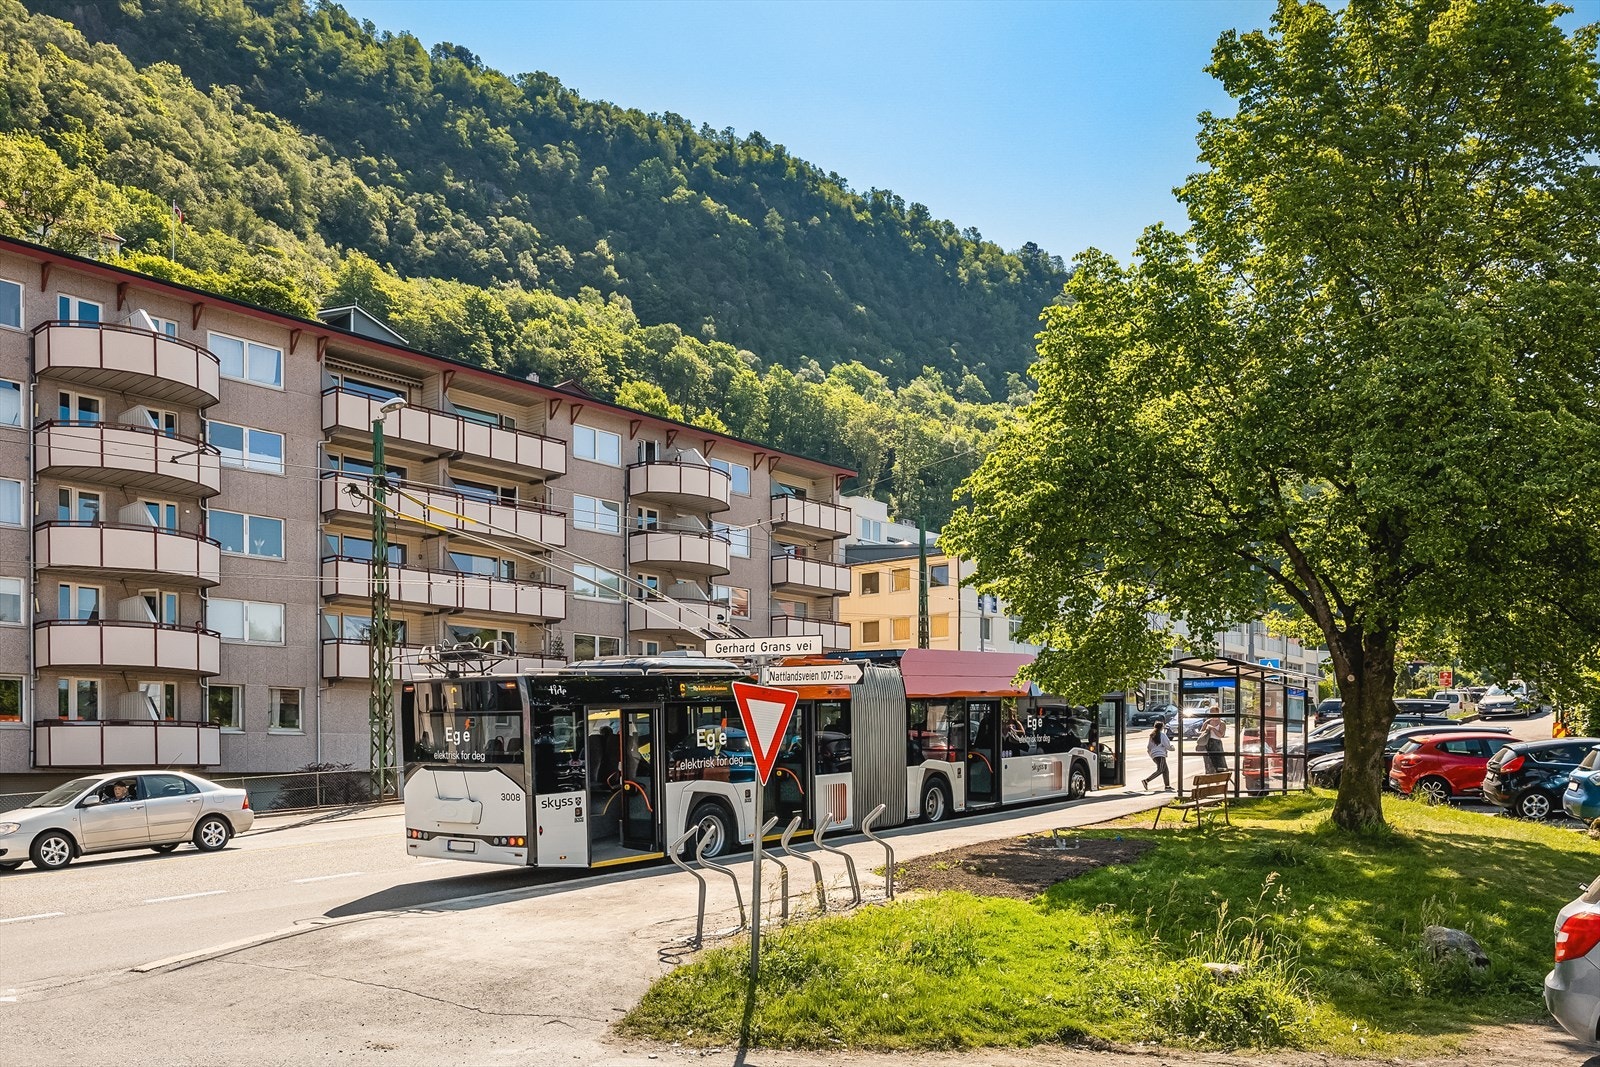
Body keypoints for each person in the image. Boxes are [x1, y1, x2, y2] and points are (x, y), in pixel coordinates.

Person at [1141, 720, 1172, 791]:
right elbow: (1167, 745)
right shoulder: (1162, 735)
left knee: (1165, 770)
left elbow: (1149, 747)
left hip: (1154, 755)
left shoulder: (1152, 735)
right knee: (1161, 770)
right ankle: (1146, 780)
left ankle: (1167, 785)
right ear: (1162, 727)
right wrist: (1172, 748)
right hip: (1160, 755)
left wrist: (1151, 754)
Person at [1201, 702, 1229, 775]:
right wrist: (1206, 729)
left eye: (1213, 712)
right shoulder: (1208, 721)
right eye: (1211, 712)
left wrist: (1213, 728)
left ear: (1217, 712)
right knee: (1208, 762)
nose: (1212, 714)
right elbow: (1201, 732)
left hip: (1216, 743)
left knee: (1219, 761)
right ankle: (1209, 776)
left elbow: (1220, 735)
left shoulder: (1222, 723)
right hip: (1207, 743)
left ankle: (1220, 776)